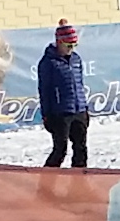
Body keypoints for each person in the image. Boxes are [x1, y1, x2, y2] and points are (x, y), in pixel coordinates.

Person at [37, 22, 90, 169]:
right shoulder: (48, 63)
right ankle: (46, 180)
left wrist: (84, 109)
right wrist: (47, 115)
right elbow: (44, 90)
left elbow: (79, 84)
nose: (71, 49)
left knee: (81, 148)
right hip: (60, 113)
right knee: (60, 149)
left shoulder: (76, 60)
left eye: (74, 45)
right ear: (59, 42)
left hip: (78, 110)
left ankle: (79, 180)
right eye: (68, 45)